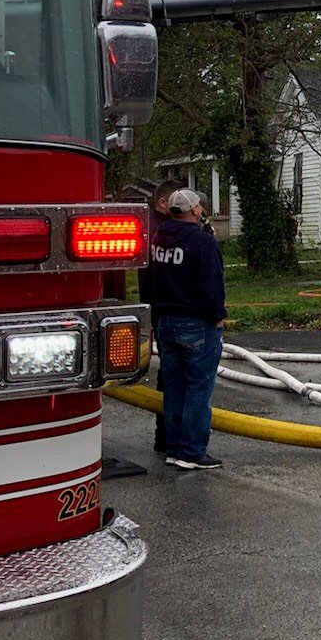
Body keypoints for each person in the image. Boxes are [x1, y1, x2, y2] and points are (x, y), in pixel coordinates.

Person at [151, 188, 227, 470]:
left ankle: (173, 446)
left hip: (166, 322)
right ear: (194, 210)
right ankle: (192, 452)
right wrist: (217, 316)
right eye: (199, 207)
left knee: (173, 388)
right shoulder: (202, 243)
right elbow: (212, 285)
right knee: (198, 389)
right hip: (196, 324)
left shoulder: (159, 237)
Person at [144, 178, 186, 454]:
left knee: (168, 375)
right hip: (172, 312)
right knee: (175, 378)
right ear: (163, 203)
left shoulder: (151, 230)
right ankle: (173, 438)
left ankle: (166, 437)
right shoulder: (167, 232)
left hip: (157, 309)